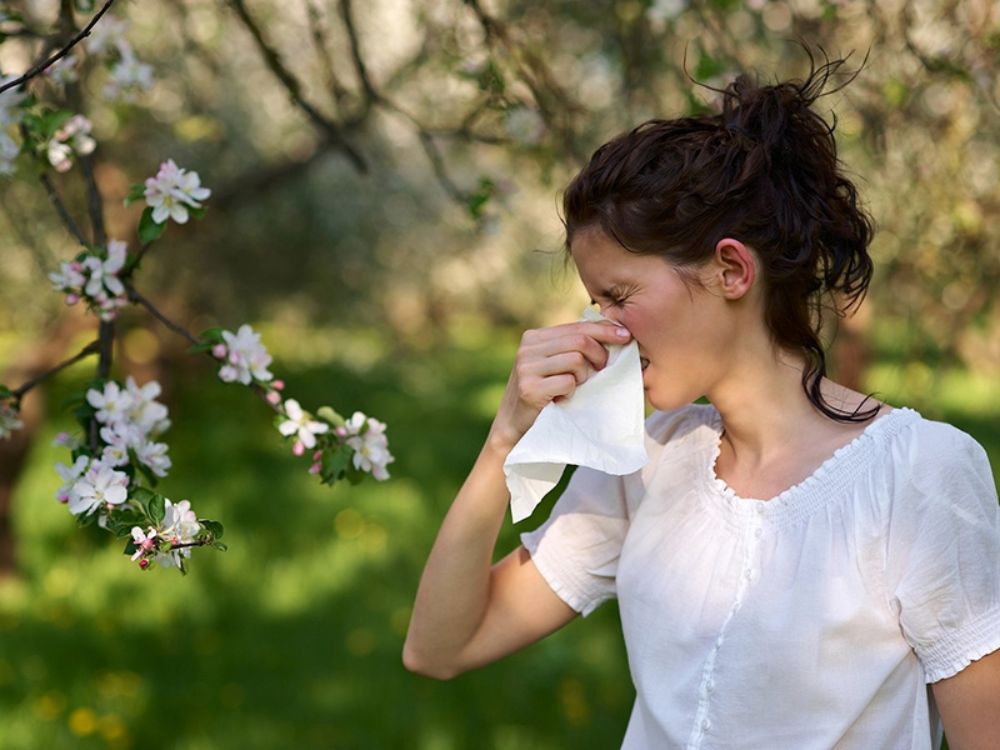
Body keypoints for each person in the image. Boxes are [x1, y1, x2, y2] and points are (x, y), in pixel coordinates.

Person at [402, 47, 1000, 749]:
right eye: (595, 302)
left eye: (618, 296)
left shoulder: (918, 474)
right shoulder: (645, 459)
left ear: (731, 270)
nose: (601, 329)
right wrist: (505, 440)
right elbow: (439, 648)